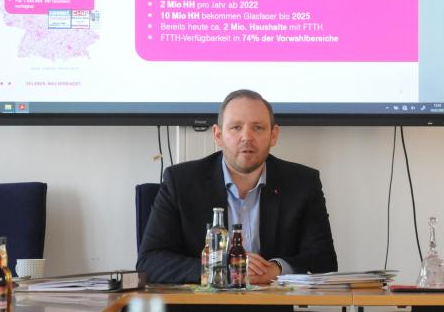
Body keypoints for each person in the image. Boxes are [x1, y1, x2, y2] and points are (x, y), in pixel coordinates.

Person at [136, 90, 338, 284]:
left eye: (258, 128)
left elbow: (324, 260)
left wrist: (277, 269)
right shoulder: (180, 181)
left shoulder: (303, 183)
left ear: (273, 135)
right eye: (235, 127)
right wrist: (224, 267)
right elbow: (149, 262)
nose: (247, 137)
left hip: (272, 301)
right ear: (218, 135)